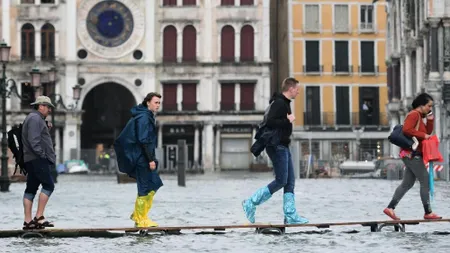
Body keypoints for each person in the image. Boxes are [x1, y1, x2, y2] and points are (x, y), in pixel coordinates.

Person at [242, 77, 309, 224]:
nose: (298, 92)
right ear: (290, 89)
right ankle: (251, 203)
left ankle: (290, 216)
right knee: (281, 180)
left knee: (290, 181)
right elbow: (270, 121)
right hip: (276, 146)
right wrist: (288, 120)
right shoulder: (279, 103)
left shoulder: (284, 103)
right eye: (297, 89)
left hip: (282, 145)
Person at [383, 93, 442, 220]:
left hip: (410, 154)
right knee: (425, 180)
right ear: (421, 105)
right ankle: (428, 212)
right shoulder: (413, 114)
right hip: (412, 154)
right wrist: (424, 136)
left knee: (407, 183)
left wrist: (430, 120)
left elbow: (426, 132)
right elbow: (407, 130)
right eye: (428, 106)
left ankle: (390, 208)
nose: (429, 108)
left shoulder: (420, 116)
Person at [114, 92, 163, 228]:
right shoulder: (144, 118)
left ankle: (138, 214)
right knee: (145, 187)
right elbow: (143, 140)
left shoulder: (146, 116)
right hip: (143, 159)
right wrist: (150, 159)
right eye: (155, 102)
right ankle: (141, 219)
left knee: (154, 184)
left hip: (144, 157)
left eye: (159, 103)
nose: (158, 105)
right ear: (148, 102)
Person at [22, 96, 57, 229]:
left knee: (31, 188)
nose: (49, 110)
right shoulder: (36, 119)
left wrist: (45, 127)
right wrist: (42, 156)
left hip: (31, 159)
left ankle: (28, 221)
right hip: (37, 159)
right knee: (49, 186)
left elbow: (36, 136)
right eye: (48, 107)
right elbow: (34, 140)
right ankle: (39, 217)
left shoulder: (35, 119)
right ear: (40, 106)